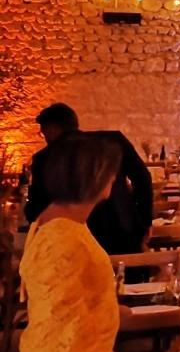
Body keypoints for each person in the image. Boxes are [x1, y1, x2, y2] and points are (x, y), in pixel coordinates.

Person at [19, 134, 123, 352]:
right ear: (92, 177)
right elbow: (64, 317)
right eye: (110, 172)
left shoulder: (55, 222)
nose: (115, 179)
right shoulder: (64, 235)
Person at [24, 103, 153, 255]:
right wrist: (144, 221)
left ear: (52, 129)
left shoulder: (44, 158)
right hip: (124, 234)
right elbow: (142, 178)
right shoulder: (113, 141)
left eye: (43, 132)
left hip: (73, 245)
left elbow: (36, 209)